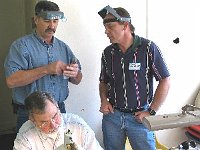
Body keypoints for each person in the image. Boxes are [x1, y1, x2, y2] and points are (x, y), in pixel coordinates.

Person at [98, 5, 170, 150]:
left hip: (139, 117)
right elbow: (103, 81)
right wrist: (104, 100)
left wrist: (151, 111)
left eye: (110, 26)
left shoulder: (148, 48)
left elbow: (165, 80)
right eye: (105, 27)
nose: (106, 31)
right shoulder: (108, 53)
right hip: (113, 117)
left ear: (125, 25)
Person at [4, 1, 82, 131]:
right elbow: (11, 81)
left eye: (55, 21)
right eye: (47, 21)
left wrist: (74, 74)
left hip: (59, 110)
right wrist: (46, 69)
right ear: (35, 19)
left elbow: (78, 79)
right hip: (30, 113)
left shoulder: (63, 47)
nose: (52, 26)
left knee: (60, 146)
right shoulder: (21, 46)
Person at [13, 91, 103, 150]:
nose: (53, 125)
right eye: (44, 122)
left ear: (58, 108)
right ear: (33, 121)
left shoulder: (77, 126)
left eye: (55, 116)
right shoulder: (25, 136)